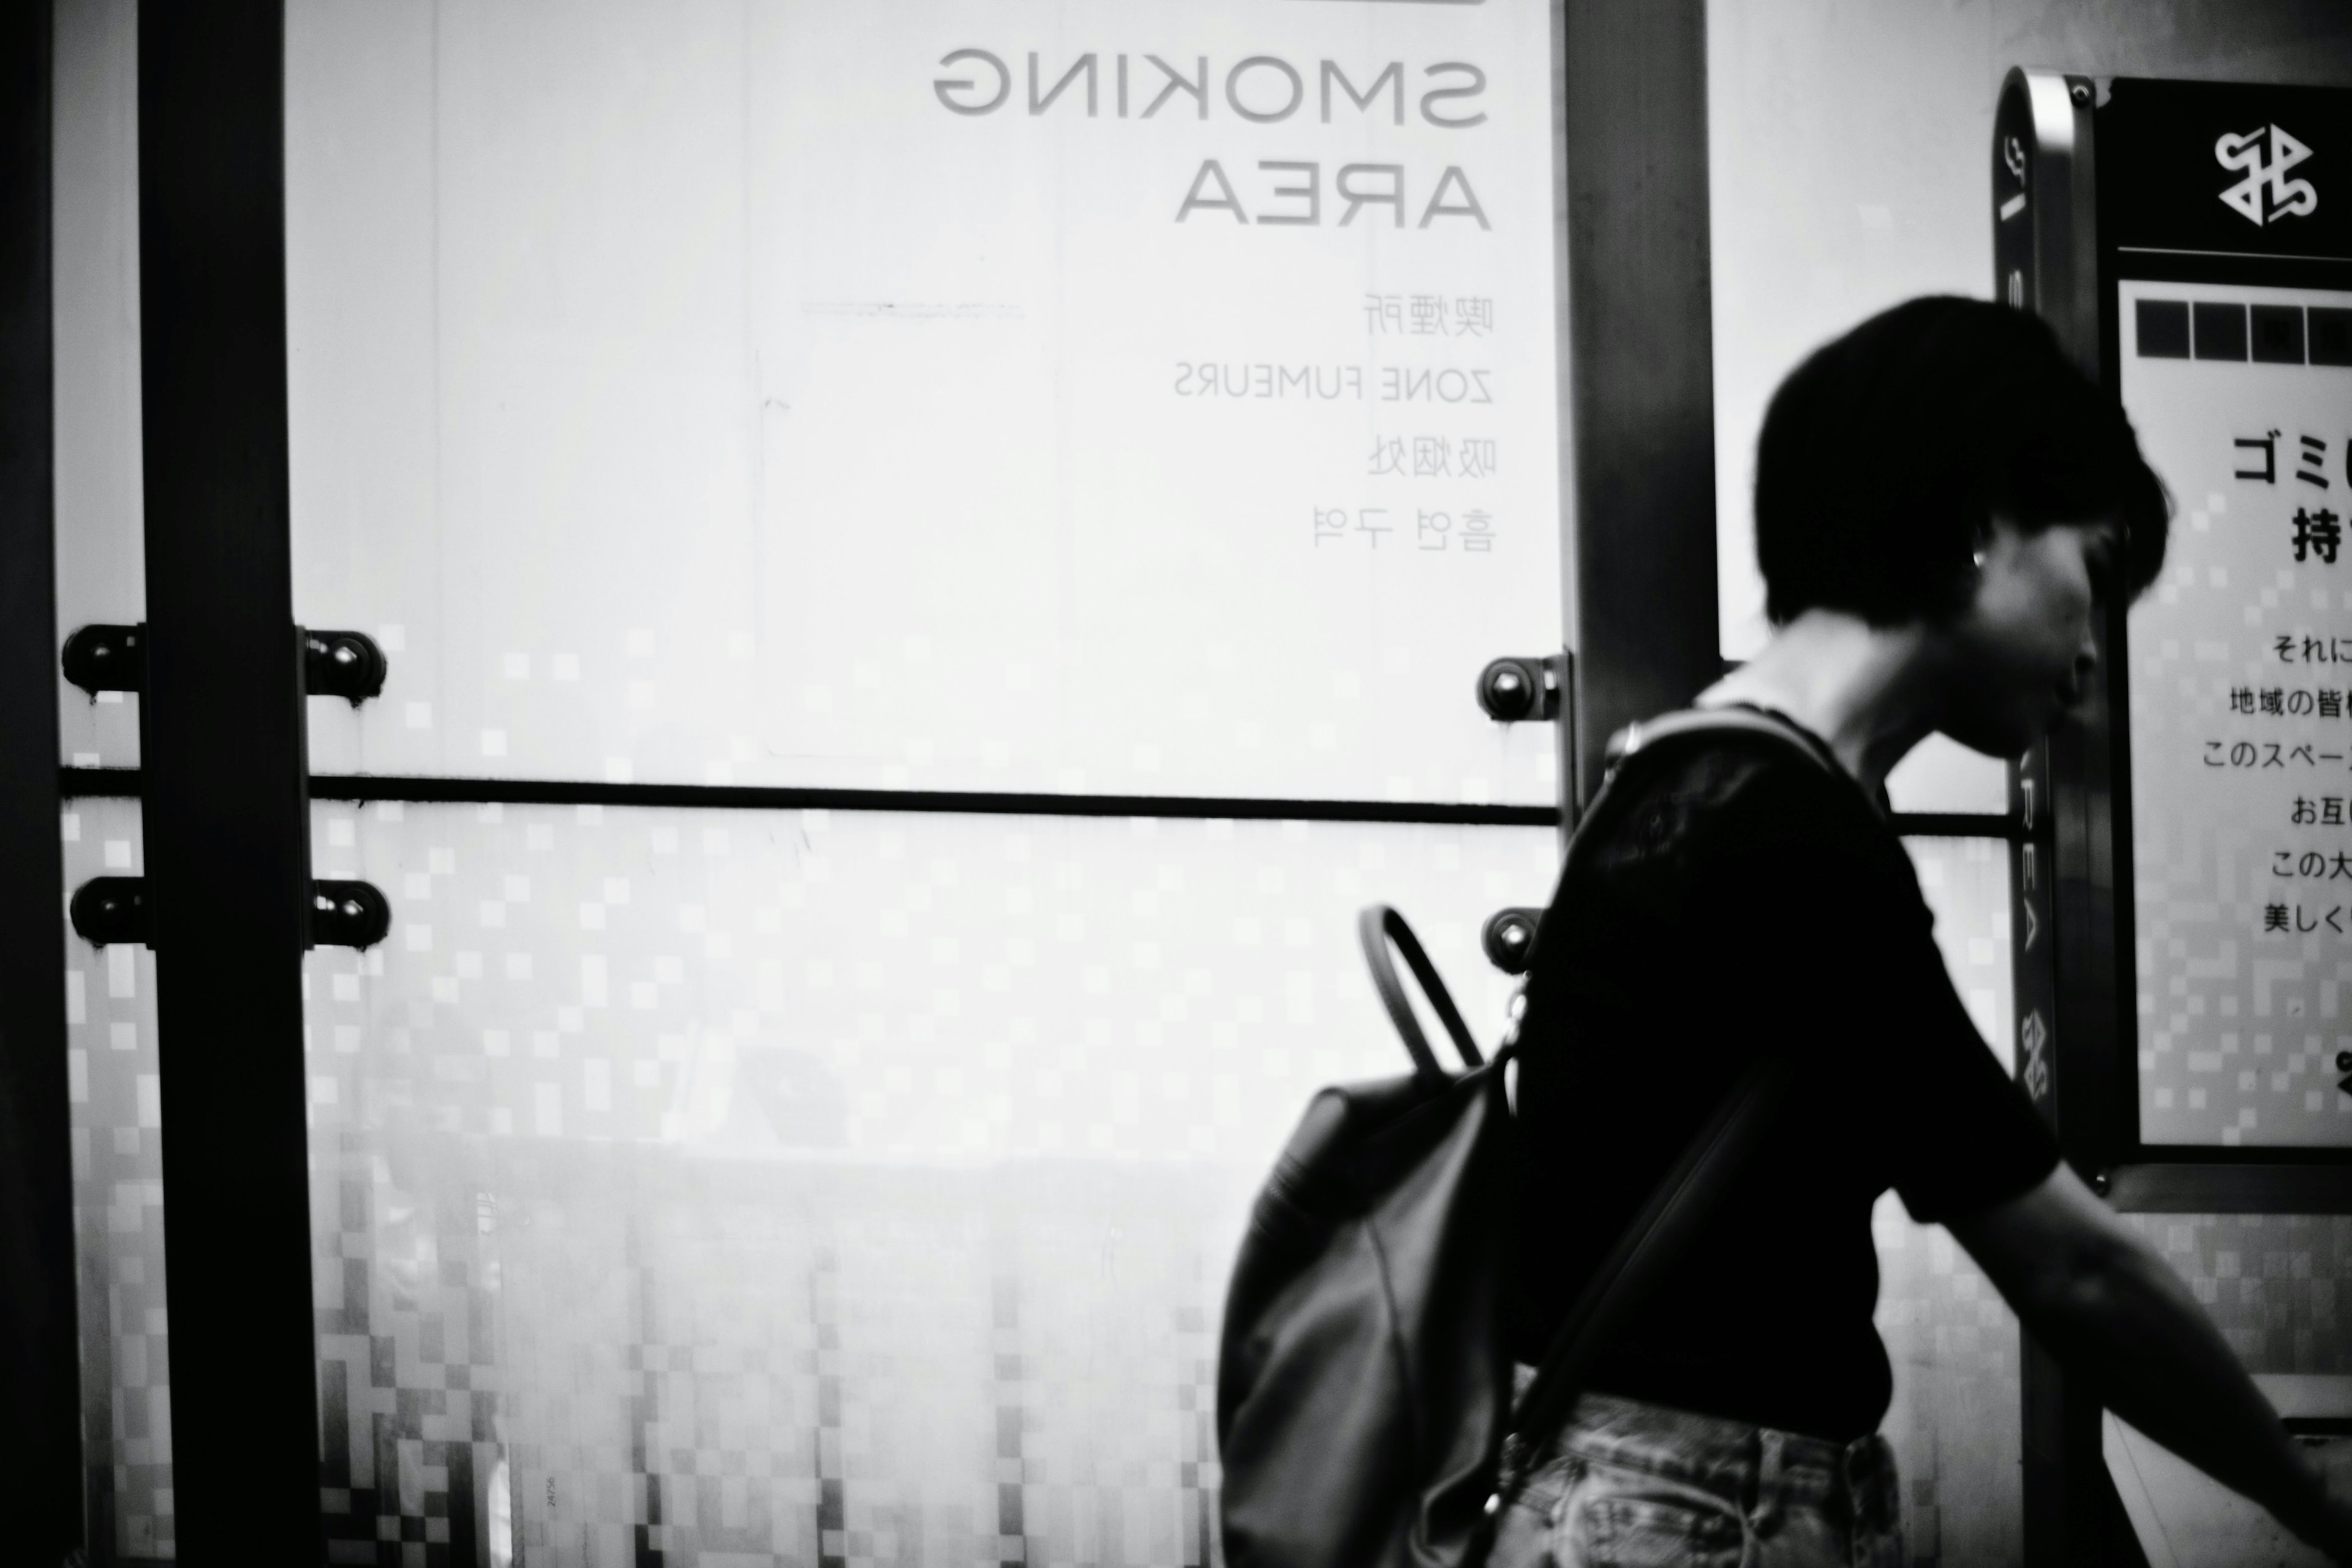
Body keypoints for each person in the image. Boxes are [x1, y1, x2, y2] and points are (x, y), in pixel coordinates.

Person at [1489, 296, 2352, 1567]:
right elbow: (2071, 1267)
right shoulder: (1780, 828)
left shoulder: (1686, 771)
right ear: (1977, 525)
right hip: (1686, 1521)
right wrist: (2313, 1495)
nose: (2095, 651)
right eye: (2097, 572)